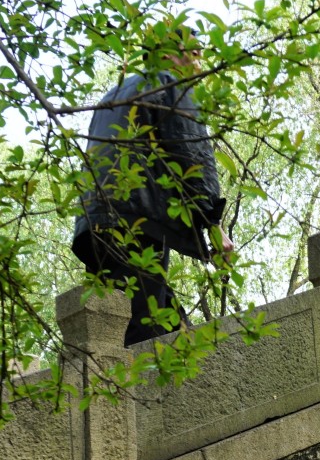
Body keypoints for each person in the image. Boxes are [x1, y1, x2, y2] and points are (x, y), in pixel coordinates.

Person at [72, 28, 234, 346]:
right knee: (142, 334)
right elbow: (191, 156)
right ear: (171, 54)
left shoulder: (114, 94)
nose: (200, 64)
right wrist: (212, 225)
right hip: (136, 223)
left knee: (168, 329)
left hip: (95, 227)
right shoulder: (171, 85)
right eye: (196, 53)